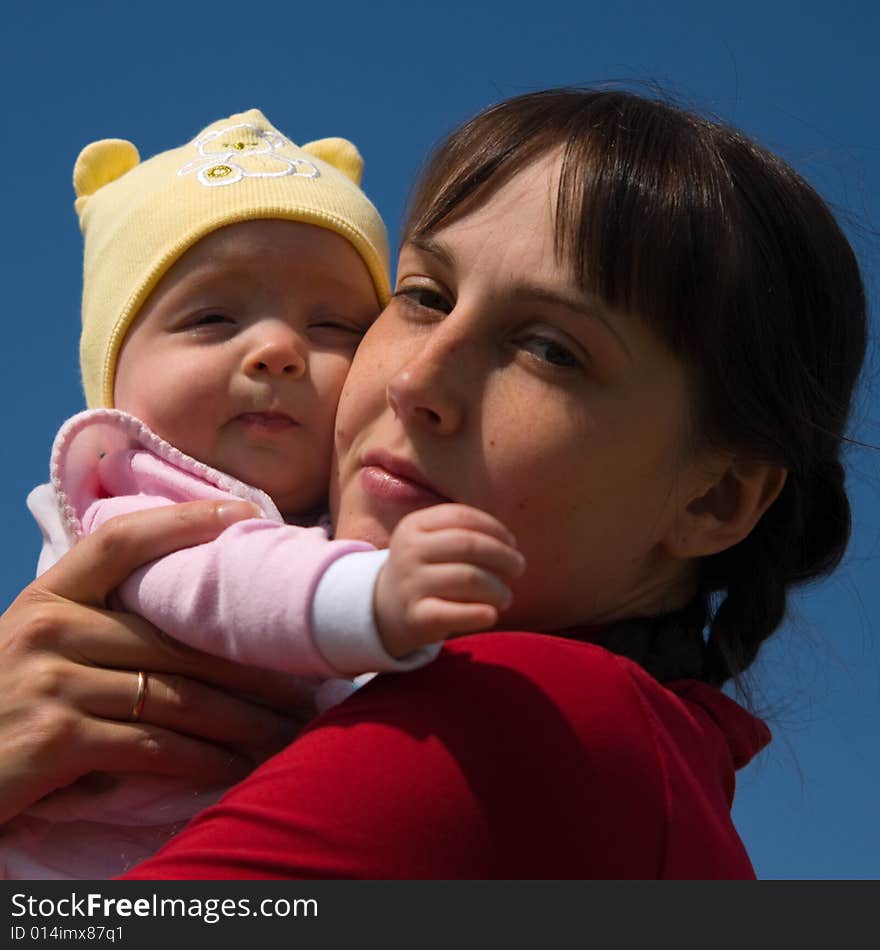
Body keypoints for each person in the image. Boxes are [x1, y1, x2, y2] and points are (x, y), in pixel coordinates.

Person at [0, 87, 867, 878]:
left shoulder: (523, 722)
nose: (416, 380)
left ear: (714, 498)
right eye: (423, 296)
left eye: (550, 350)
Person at [2, 109, 522, 879]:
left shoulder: (350, 515)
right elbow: (231, 582)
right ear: (114, 382)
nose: (278, 350)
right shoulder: (141, 503)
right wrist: (375, 597)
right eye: (212, 318)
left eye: (335, 326)